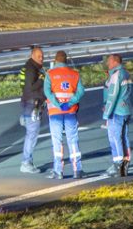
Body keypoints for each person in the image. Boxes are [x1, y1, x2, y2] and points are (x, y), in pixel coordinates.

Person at [43, 49, 84, 179]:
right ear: (66, 60)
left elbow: (47, 92)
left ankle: (58, 171)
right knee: (73, 140)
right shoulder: (75, 74)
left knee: (57, 141)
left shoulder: (50, 74)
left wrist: (57, 103)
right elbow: (81, 91)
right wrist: (70, 102)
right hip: (70, 111)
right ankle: (77, 170)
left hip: (55, 112)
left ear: (55, 60)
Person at [101, 53, 133, 177]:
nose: (108, 64)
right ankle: (126, 164)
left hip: (116, 111)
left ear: (115, 62)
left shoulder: (116, 75)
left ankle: (118, 165)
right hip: (126, 110)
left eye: (109, 62)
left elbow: (112, 95)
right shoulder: (126, 74)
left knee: (115, 139)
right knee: (124, 138)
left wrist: (106, 114)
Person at [17, 45, 46, 173]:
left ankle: (27, 161)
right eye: (39, 56)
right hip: (31, 105)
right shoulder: (31, 69)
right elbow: (31, 87)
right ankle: (26, 162)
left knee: (31, 133)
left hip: (28, 104)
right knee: (32, 134)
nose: (41, 58)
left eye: (42, 56)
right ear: (32, 56)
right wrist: (41, 79)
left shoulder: (32, 67)